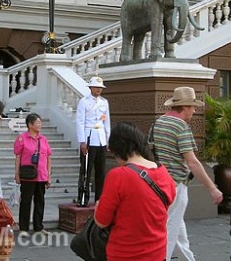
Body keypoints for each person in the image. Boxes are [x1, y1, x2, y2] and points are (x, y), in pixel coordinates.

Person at [151, 86, 223, 261]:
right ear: (185, 107)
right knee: (169, 231)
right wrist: (212, 188)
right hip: (176, 185)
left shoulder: (158, 123)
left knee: (177, 230)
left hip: (159, 184)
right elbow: (192, 162)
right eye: (193, 107)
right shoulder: (181, 127)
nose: (194, 111)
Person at [94, 122, 177, 261]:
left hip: (125, 253)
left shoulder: (118, 175)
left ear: (119, 149)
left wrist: (98, 207)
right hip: (157, 252)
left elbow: (102, 221)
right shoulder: (164, 174)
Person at [14, 113, 52, 235]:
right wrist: (17, 174)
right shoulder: (22, 138)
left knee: (40, 201)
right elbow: (18, 157)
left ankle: (38, 227)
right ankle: (23, 228)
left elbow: (48, 158)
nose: (40, 125)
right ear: (30, 125)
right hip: (28, 175)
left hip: (41, 175)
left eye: (40, 122)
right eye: (38, 122)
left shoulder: (44, 139)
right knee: (26, 201)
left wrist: (48, 175)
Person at [75, 76, 111, 205]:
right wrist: (82, 141)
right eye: (96, 87)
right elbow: (79, 122)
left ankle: (99, 199)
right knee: (86, 170)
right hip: (89, 137)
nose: (98, 90)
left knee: (101, 171)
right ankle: (83, 198)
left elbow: (106, 122)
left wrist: (108, 139)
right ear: (90, 88)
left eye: (100, 88)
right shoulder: (84, 102)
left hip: (100, 138)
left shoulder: (104, 102)